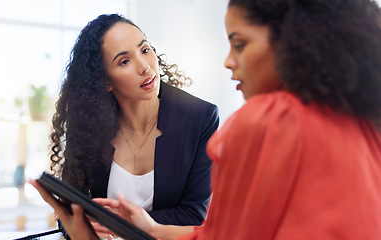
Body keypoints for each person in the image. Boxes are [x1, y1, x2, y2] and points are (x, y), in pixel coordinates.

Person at [31, 0, 381, 239]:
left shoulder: (264, 121)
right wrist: (149, 230)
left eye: (239, 44)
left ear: (292, 43)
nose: (228, 61)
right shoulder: (362, 121)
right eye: (123, 60)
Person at [42, 13, 219, 238]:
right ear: (105, 81)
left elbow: (194, 215)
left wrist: (113, 222)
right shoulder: (88, 125)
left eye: (145, 50)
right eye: (124, 61)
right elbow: (70, 218)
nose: (145, 67)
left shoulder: (200, 117)